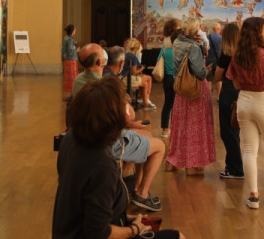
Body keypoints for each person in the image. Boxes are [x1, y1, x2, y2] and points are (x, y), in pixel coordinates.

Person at [53, 77, 185, 239]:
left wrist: (124, 219)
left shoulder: (70, 138)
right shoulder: (102, 166)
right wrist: (134, 229)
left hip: (65, 232)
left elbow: (85, 205)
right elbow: (97, 233)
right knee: (177, 236)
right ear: (113, 119)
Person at [71, 44, 165, 212]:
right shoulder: (104, 85)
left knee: (144, 134)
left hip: (86, 136)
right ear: (101, 61)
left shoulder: (78, 80)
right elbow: (128, 115)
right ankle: (142, 194)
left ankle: (134, 185)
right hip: (107, 141)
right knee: (159, 146)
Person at [227, 17, 264, 208]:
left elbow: (235, 82)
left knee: (249, 150)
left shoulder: (238, 56)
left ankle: (253, 196)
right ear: (258, 32)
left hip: (244, 101)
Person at [165, 18, 216, 175]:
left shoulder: (177, 43)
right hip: (196, 91)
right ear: (195, 31)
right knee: (196, 127)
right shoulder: (193, 46)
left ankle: (173, 161)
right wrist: (207, 69)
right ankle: (193, 165)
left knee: (180, 126)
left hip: (181, 91)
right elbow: (199, 73)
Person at [214, 22, 243, 180]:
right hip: (242, 94)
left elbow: (218, 76)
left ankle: (236, 168)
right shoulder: (244, 53)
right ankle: (231, 165)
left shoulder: (226, 55)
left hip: (229, 92)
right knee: (235, 130)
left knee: (227, 132)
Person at [160, 18, 181, 140]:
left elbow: (159, 59)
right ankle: (175, 128)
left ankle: (164, 129)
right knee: (177, 105)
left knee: (167, 104)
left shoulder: (164, 47)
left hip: (167, 78)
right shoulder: (179, 48)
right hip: (177, 78)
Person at [124, 38, 156, 110]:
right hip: (128, 79)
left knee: (146, 79)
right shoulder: (133, 57)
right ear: (136, 49)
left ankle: (144, 99)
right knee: (145, 82)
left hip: (125, 77)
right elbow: (134, 72)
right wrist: (142, 69)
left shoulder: (126, 54)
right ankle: (146, 102)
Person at [61, 24, 78, 101]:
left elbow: (65, 49)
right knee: (72, 77)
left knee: (67, 77)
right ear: (72, 31)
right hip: (71, 60)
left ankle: (66, 95)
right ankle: (70, 95)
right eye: (74, 30)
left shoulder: (66, 38)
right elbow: (71, 51)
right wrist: (77, 50)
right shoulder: (70, 40)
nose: (75, 31)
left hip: (66, 60)